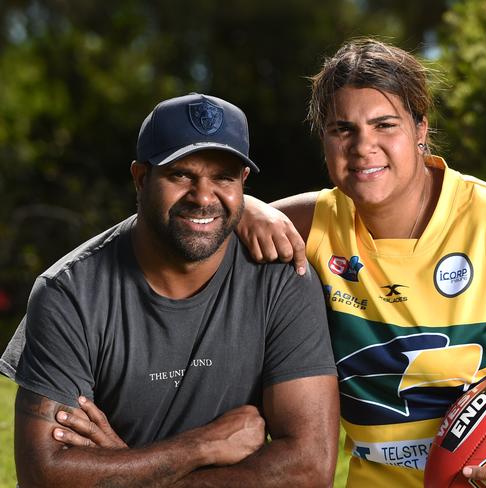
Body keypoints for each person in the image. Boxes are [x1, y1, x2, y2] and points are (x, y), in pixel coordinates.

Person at [237, 38, 486, 488]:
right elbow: (202, 219)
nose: (363, 146)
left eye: (385, 124)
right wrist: (245, 206)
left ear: (420, 127)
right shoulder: (314, 224)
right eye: (342, 129)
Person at [0, 93, 339, 487]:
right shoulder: (70, 293)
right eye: (181, 174)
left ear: (243, 184)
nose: (203, 196)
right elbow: (45, 475)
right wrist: (201, 446)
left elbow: (309, 468)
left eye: (223, 177)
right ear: (142, 178)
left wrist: (126, 470)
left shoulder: (282, 279)